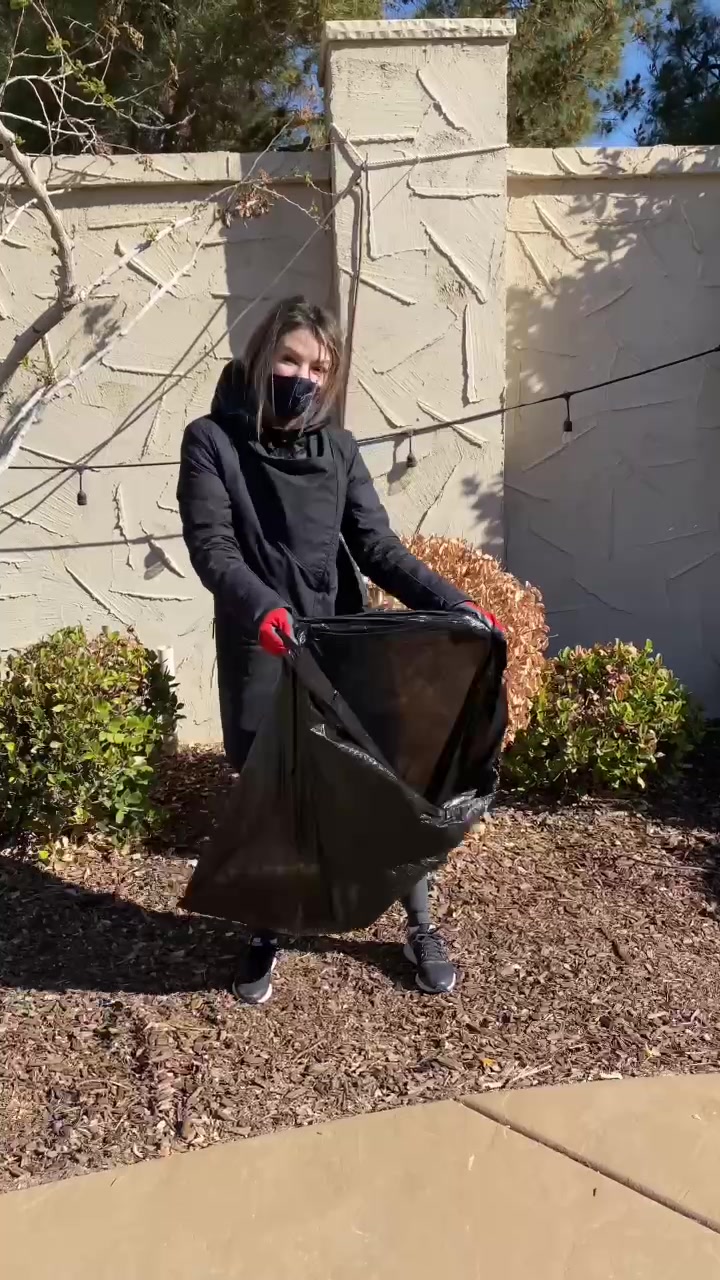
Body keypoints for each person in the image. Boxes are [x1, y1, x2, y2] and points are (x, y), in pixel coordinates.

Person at [178, 295, 490, 1006]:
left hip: (342, 643)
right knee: (275, 795)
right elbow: (214, 547)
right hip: (262, 641)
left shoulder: (339, 450)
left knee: (384, 785)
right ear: (262, 356)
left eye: (319, 367)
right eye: (290, 360)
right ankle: (268, 924)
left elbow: (376, 547)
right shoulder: (211, 442)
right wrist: (265, 609)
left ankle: (419, 924)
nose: (304, 377)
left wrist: (454, 603)